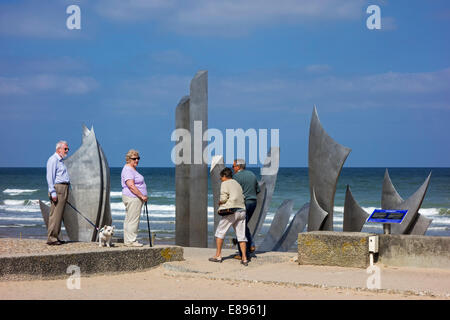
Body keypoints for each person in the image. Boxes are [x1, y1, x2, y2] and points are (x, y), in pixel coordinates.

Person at [209, 167, 249, 266]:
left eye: (221, 177)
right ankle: (244, 258)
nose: (220, 179)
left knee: (220, 232)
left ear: (224, 176)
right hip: (242, 211)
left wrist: (220, 202)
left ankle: (218, 256)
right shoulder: (237, 183)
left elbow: (223, 198)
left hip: (232, 211)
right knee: (241, 236)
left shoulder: (225, 183)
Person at [232, 159, 260, 259]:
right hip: (253, 202)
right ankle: (250, 246)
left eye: (233, 166)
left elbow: (233, 192)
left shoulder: (236, 177)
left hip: (243, 203)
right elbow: (258, 190)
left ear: (238, 167)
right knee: (244, 224)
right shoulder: (252, 174)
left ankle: (243, 253)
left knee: (241, 225)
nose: (233, 168)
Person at [121, 149, 148, 247]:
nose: (136, 160)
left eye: (138, 158)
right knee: (133, 220)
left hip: (133, 197)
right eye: (134, 158)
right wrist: (142, 196)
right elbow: (131, 186)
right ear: (128, 159)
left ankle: (128, 240)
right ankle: (131, 241)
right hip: (133, 197)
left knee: (129, 219)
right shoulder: (128, 169)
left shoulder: (131, 169)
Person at [46, 140, 70, 245]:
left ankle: (56, 236)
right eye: (65, 149)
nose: (67, 151)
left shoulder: (61, 161)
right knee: (55, 214)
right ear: (58, 149)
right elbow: (50, 177)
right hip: (58, 189)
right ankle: (52, 238)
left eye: (67, 149)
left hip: (64, 188)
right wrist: (53, 192)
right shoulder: (53, 160)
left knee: (59, 215)